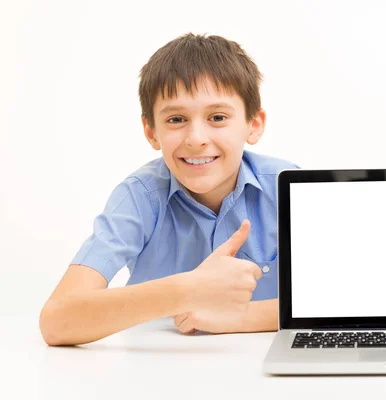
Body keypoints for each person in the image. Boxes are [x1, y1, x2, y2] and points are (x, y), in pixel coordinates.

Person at [39, 33, 298, 346]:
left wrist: (241, 318)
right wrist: (189, 289)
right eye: (176, 119)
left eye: (217, 117)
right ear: (151, 132)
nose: (196, 138)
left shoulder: (290, 187)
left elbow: (351, 300)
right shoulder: (139, 197)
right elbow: (57, 321)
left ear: (253, 125)